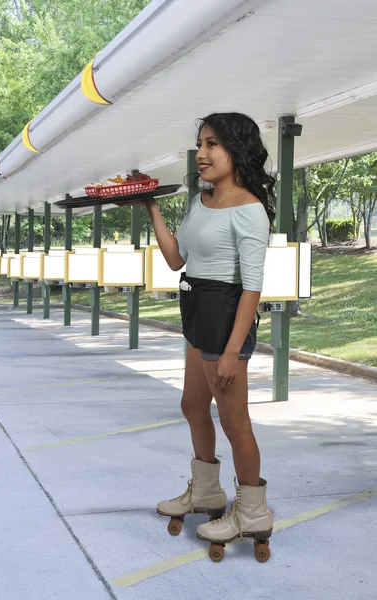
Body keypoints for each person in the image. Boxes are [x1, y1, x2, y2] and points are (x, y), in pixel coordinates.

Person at [131, 113, 275, 556]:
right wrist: (152, 207)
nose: (201, 154)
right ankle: (208, 493)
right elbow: (177, 260)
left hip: (225, 316)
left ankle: (253, 512)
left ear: (238, 149)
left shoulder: (249, 210)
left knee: (236, 423)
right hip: (195, 310)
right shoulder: (200, 200)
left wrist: (232, 352)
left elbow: (252, 287)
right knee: (192, 404)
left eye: (212, 144)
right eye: (199, 144)